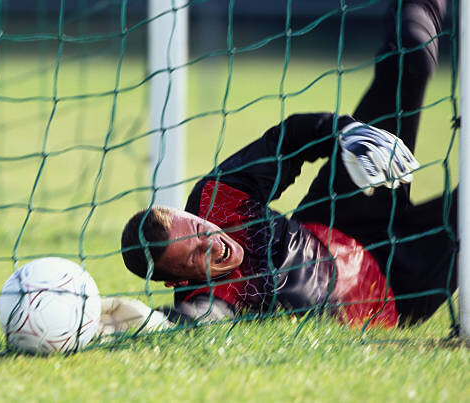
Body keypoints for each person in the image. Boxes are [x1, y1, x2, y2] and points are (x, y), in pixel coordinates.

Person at [121, 0, 455, 328]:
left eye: (198, 230)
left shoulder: (216, 198)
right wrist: (127, 321)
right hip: (398, 291)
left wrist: (347, 133)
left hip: (342, 218)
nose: (211, 242)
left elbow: (289, 140)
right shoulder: (210, 299)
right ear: (177, 281)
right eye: (194, 256)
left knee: (410, 59)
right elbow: (194, 319)